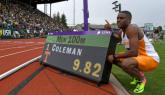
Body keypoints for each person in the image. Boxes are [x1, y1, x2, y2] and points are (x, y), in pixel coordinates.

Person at [106, 11, 160, 93]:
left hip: (150, 58)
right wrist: (110, 30)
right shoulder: (121, 31)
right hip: (138, 57)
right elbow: (115, 38)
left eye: (122, 18)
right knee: (110, 58)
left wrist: (115, 56)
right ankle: (136, 75)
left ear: (129, 20)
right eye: (118, 18)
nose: (118, 20)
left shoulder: (132, 28)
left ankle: (142, 80)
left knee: (125, 63)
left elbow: (133, 52)